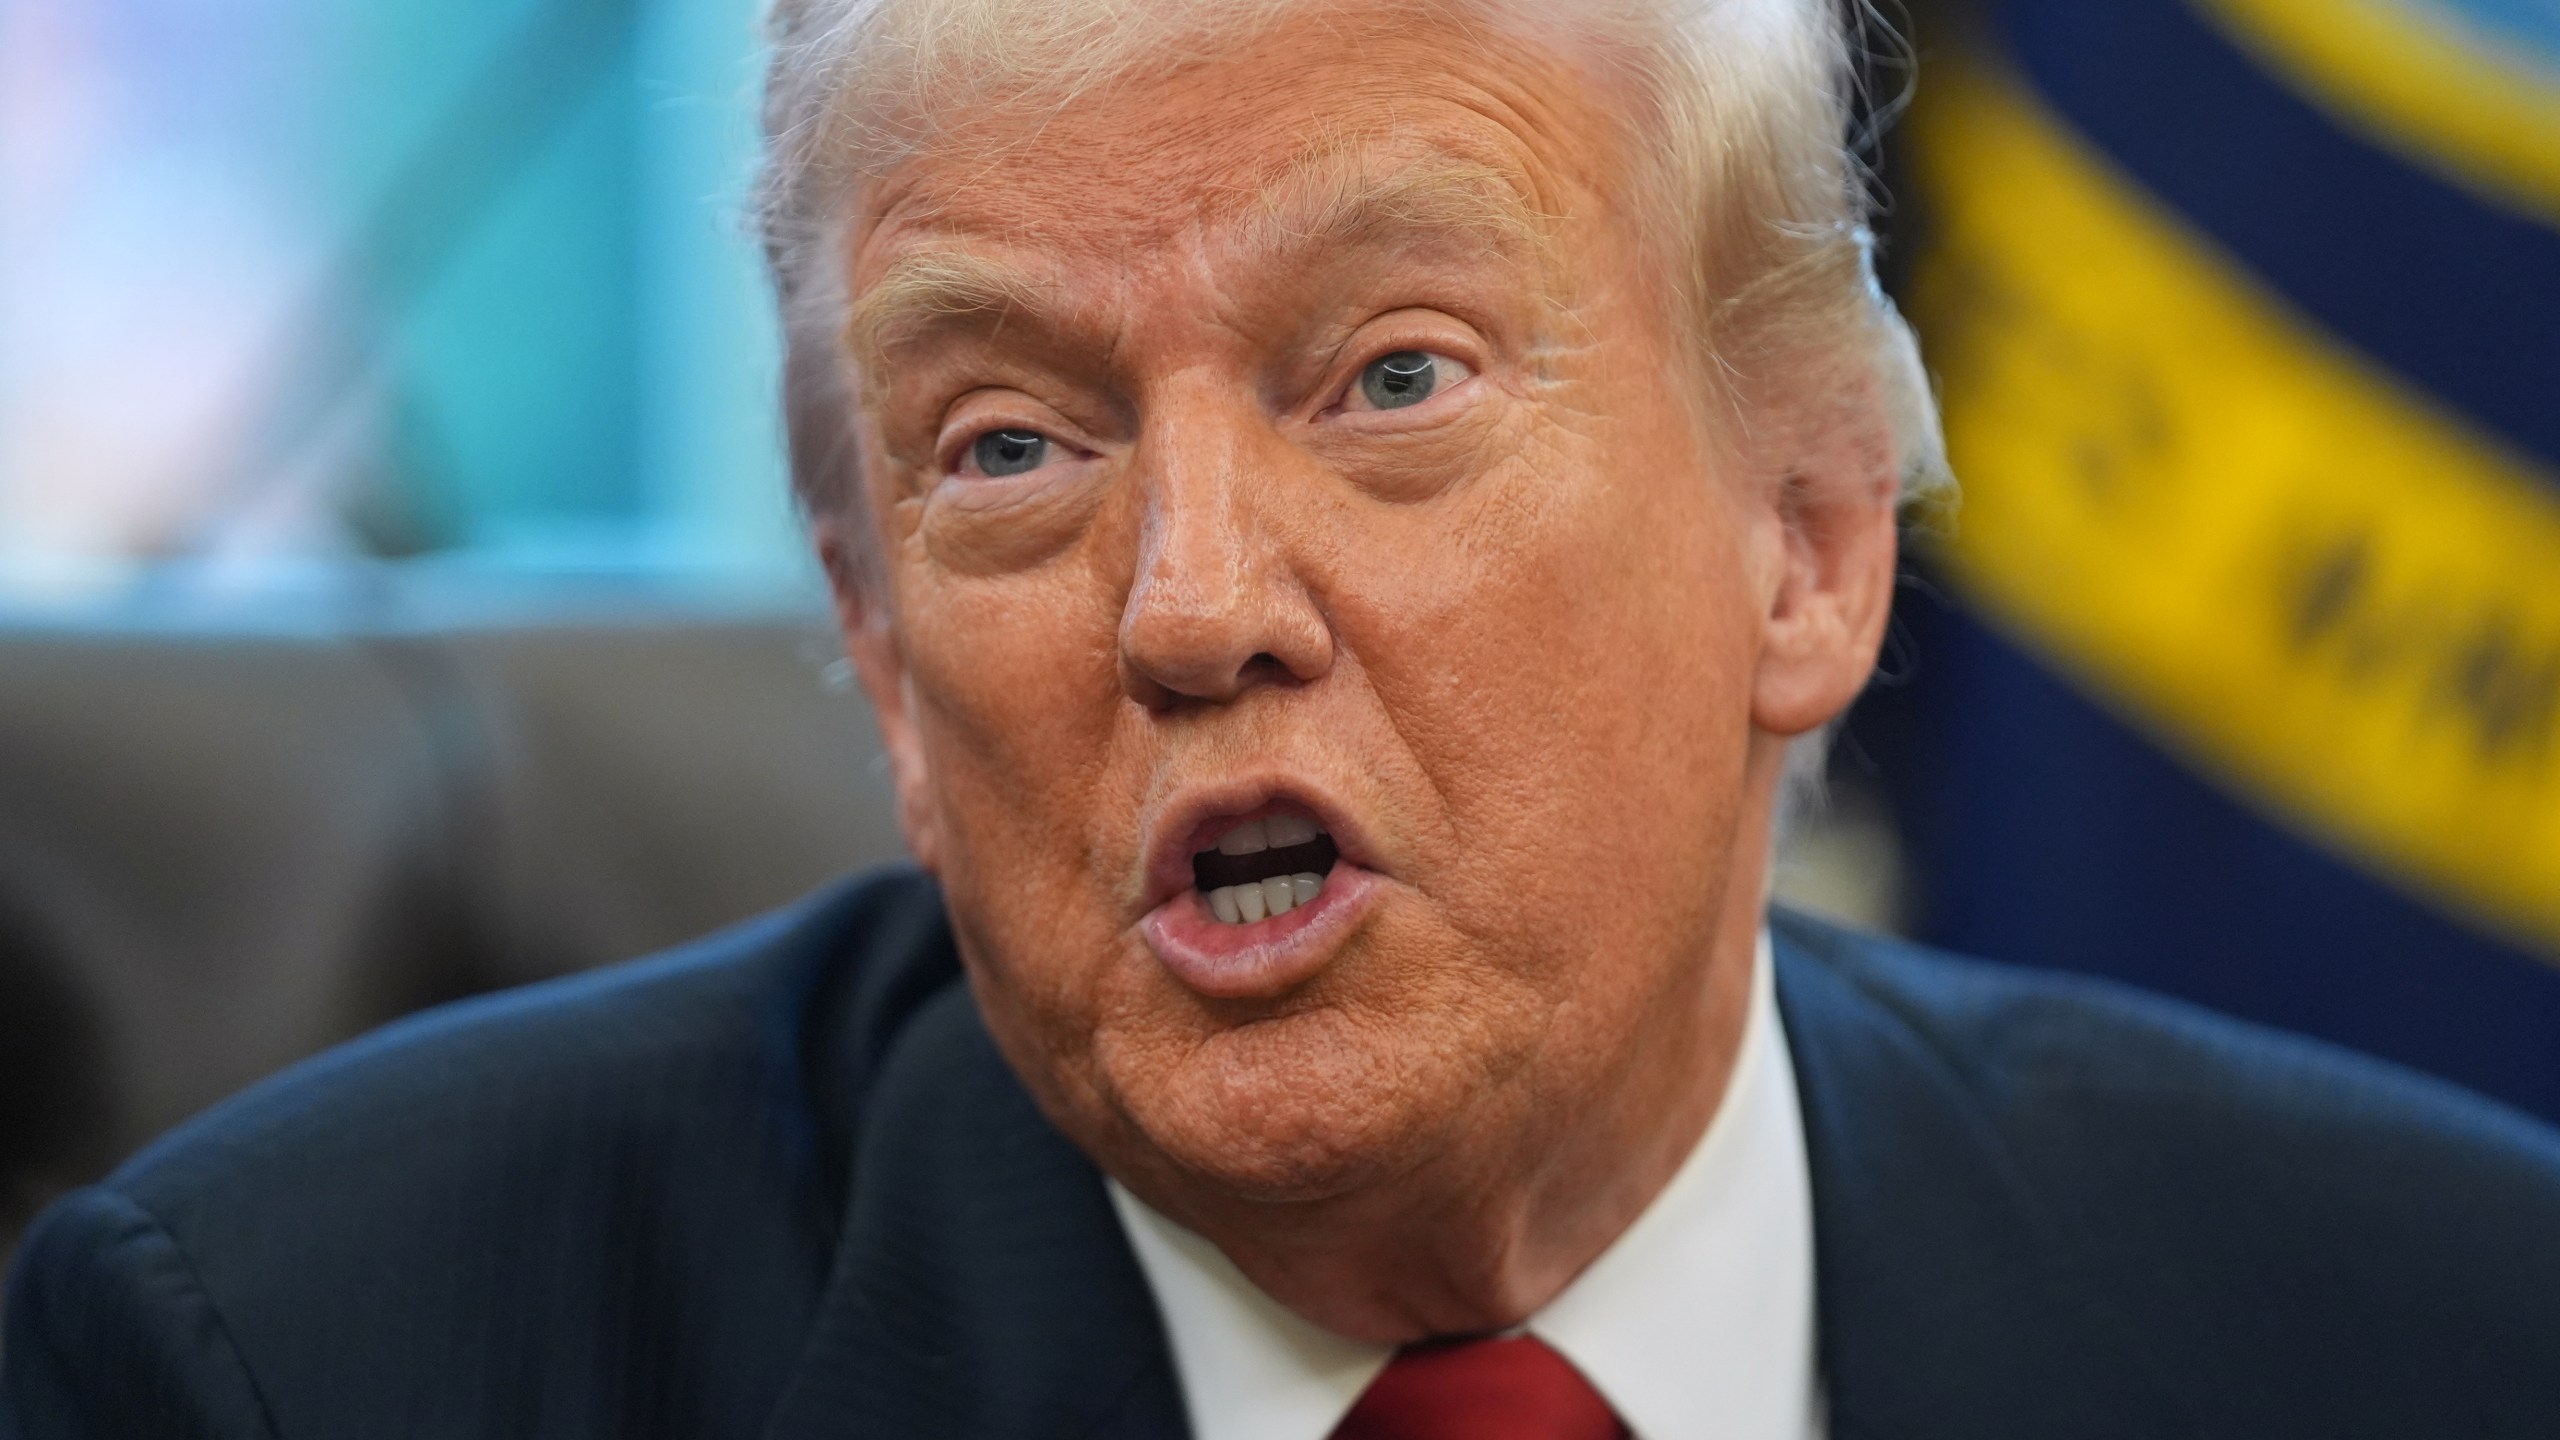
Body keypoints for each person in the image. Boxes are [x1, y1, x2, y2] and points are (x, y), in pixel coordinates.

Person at [8, 0, 2560, 1434]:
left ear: (1802, 539)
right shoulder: (281, 1372)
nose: (1191, 606)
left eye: (1391, 378)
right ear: (881, 657)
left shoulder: (2436, 1336)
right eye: (1006, 448)